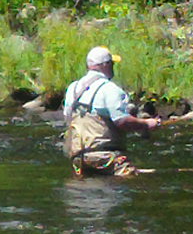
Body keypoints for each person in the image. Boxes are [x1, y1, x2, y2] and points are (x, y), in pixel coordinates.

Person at [58, 45, 158, 176]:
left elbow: (68, 118)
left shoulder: (73, 88)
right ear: (105, 65)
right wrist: (147, 124)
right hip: (106, 157)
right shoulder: (110, 89)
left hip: (79, 158)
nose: (113, 67)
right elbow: (122, 121)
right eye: (112, 64)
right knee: (133, 180)